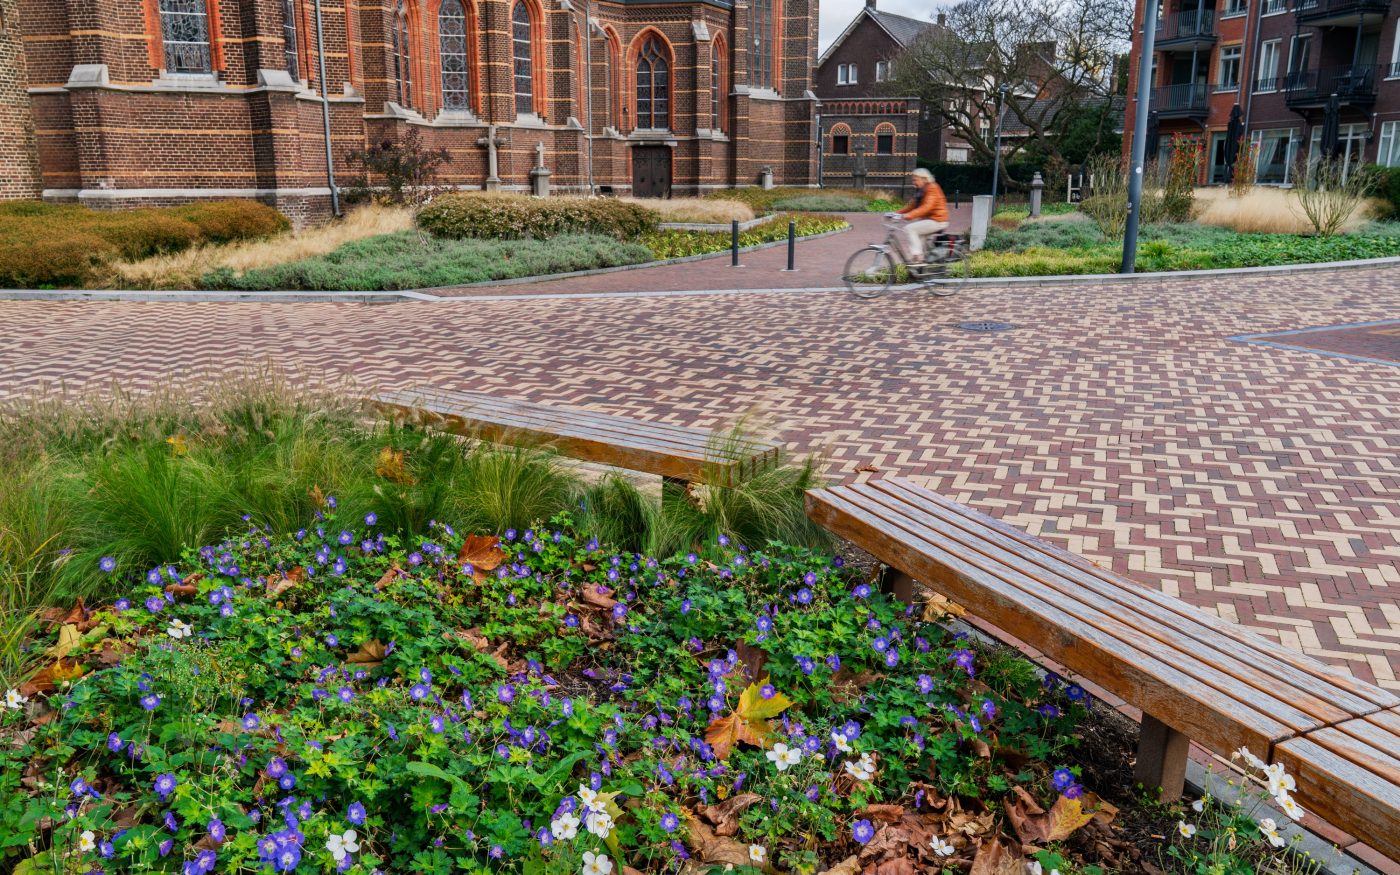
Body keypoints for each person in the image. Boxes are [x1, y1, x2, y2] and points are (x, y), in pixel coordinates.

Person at [896, 168, 948, 265]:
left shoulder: (932, 188)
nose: (913, 182)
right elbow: (912, 205)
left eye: (915, 179)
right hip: (930, 220)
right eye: (913, 180)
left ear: (924, 178)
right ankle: (920, 267)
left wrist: (909, 215)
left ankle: (918, 257)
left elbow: (927, 207)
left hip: (937, 220)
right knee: (918, 242)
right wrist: (897, 213)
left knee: (909, 228)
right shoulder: (921, 190)